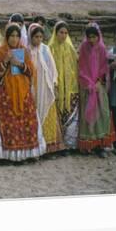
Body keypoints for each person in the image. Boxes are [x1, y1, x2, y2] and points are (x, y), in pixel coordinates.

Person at [0, 23, 46, 162]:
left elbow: (31, 72)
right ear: (7, 37)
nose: (14, 39)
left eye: (17, 36)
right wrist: (5, 61)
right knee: (7, 122)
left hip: (23, 92)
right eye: (11, 36)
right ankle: (8, 156)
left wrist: (19, 64)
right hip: (5, 93)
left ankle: (26, 153)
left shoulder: (23, 51)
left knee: (27, 122)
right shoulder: (0, 52)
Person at [77, 23, 116, 157]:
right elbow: (81, 67)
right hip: (87, 87)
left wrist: (99, 82)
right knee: (88, 116)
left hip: (99, 87)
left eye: (94, 37)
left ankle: (101, 145)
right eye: (90, 37)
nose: (92, 40)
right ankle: (89, 145)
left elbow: (104, 67)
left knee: (102, 114)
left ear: (98, 36)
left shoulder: (101, 48)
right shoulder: (83, 48)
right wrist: (88, 83)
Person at [28, 23, 65, 156]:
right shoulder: (26, 50)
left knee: (48, 112)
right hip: (32, 87)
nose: (38, 40)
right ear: (30, 37)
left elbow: (52, 67)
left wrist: (53, 82)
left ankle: (50, 146)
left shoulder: (45, 49)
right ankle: (37, 145)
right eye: (36, 37)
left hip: (45, 87)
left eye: (40, 37)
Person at [48, 20, 79, 150]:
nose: (64, 35)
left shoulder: (70, 49)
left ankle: (70, 144)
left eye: (66, 33)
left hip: (70, 89)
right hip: (57, 88)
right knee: (58, 116)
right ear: (56, 33)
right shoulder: (50, 49)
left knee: (69, 116)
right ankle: (60, 146)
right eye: (61, 32)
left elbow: (75, 68)